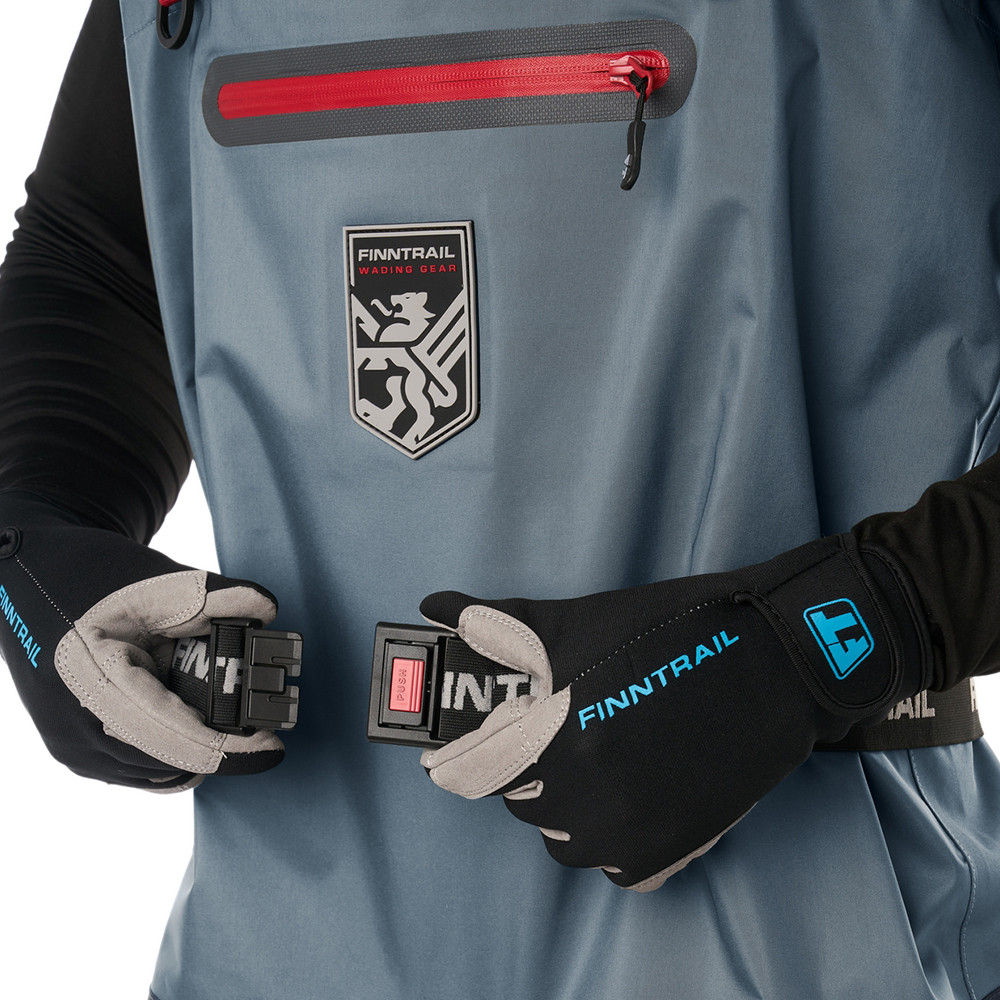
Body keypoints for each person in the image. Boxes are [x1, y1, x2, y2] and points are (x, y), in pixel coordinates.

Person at [2, 0, 999, 996]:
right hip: (274, 949)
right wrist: (33, 533)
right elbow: (99, 256)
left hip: (801, 942)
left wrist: (830, 636)